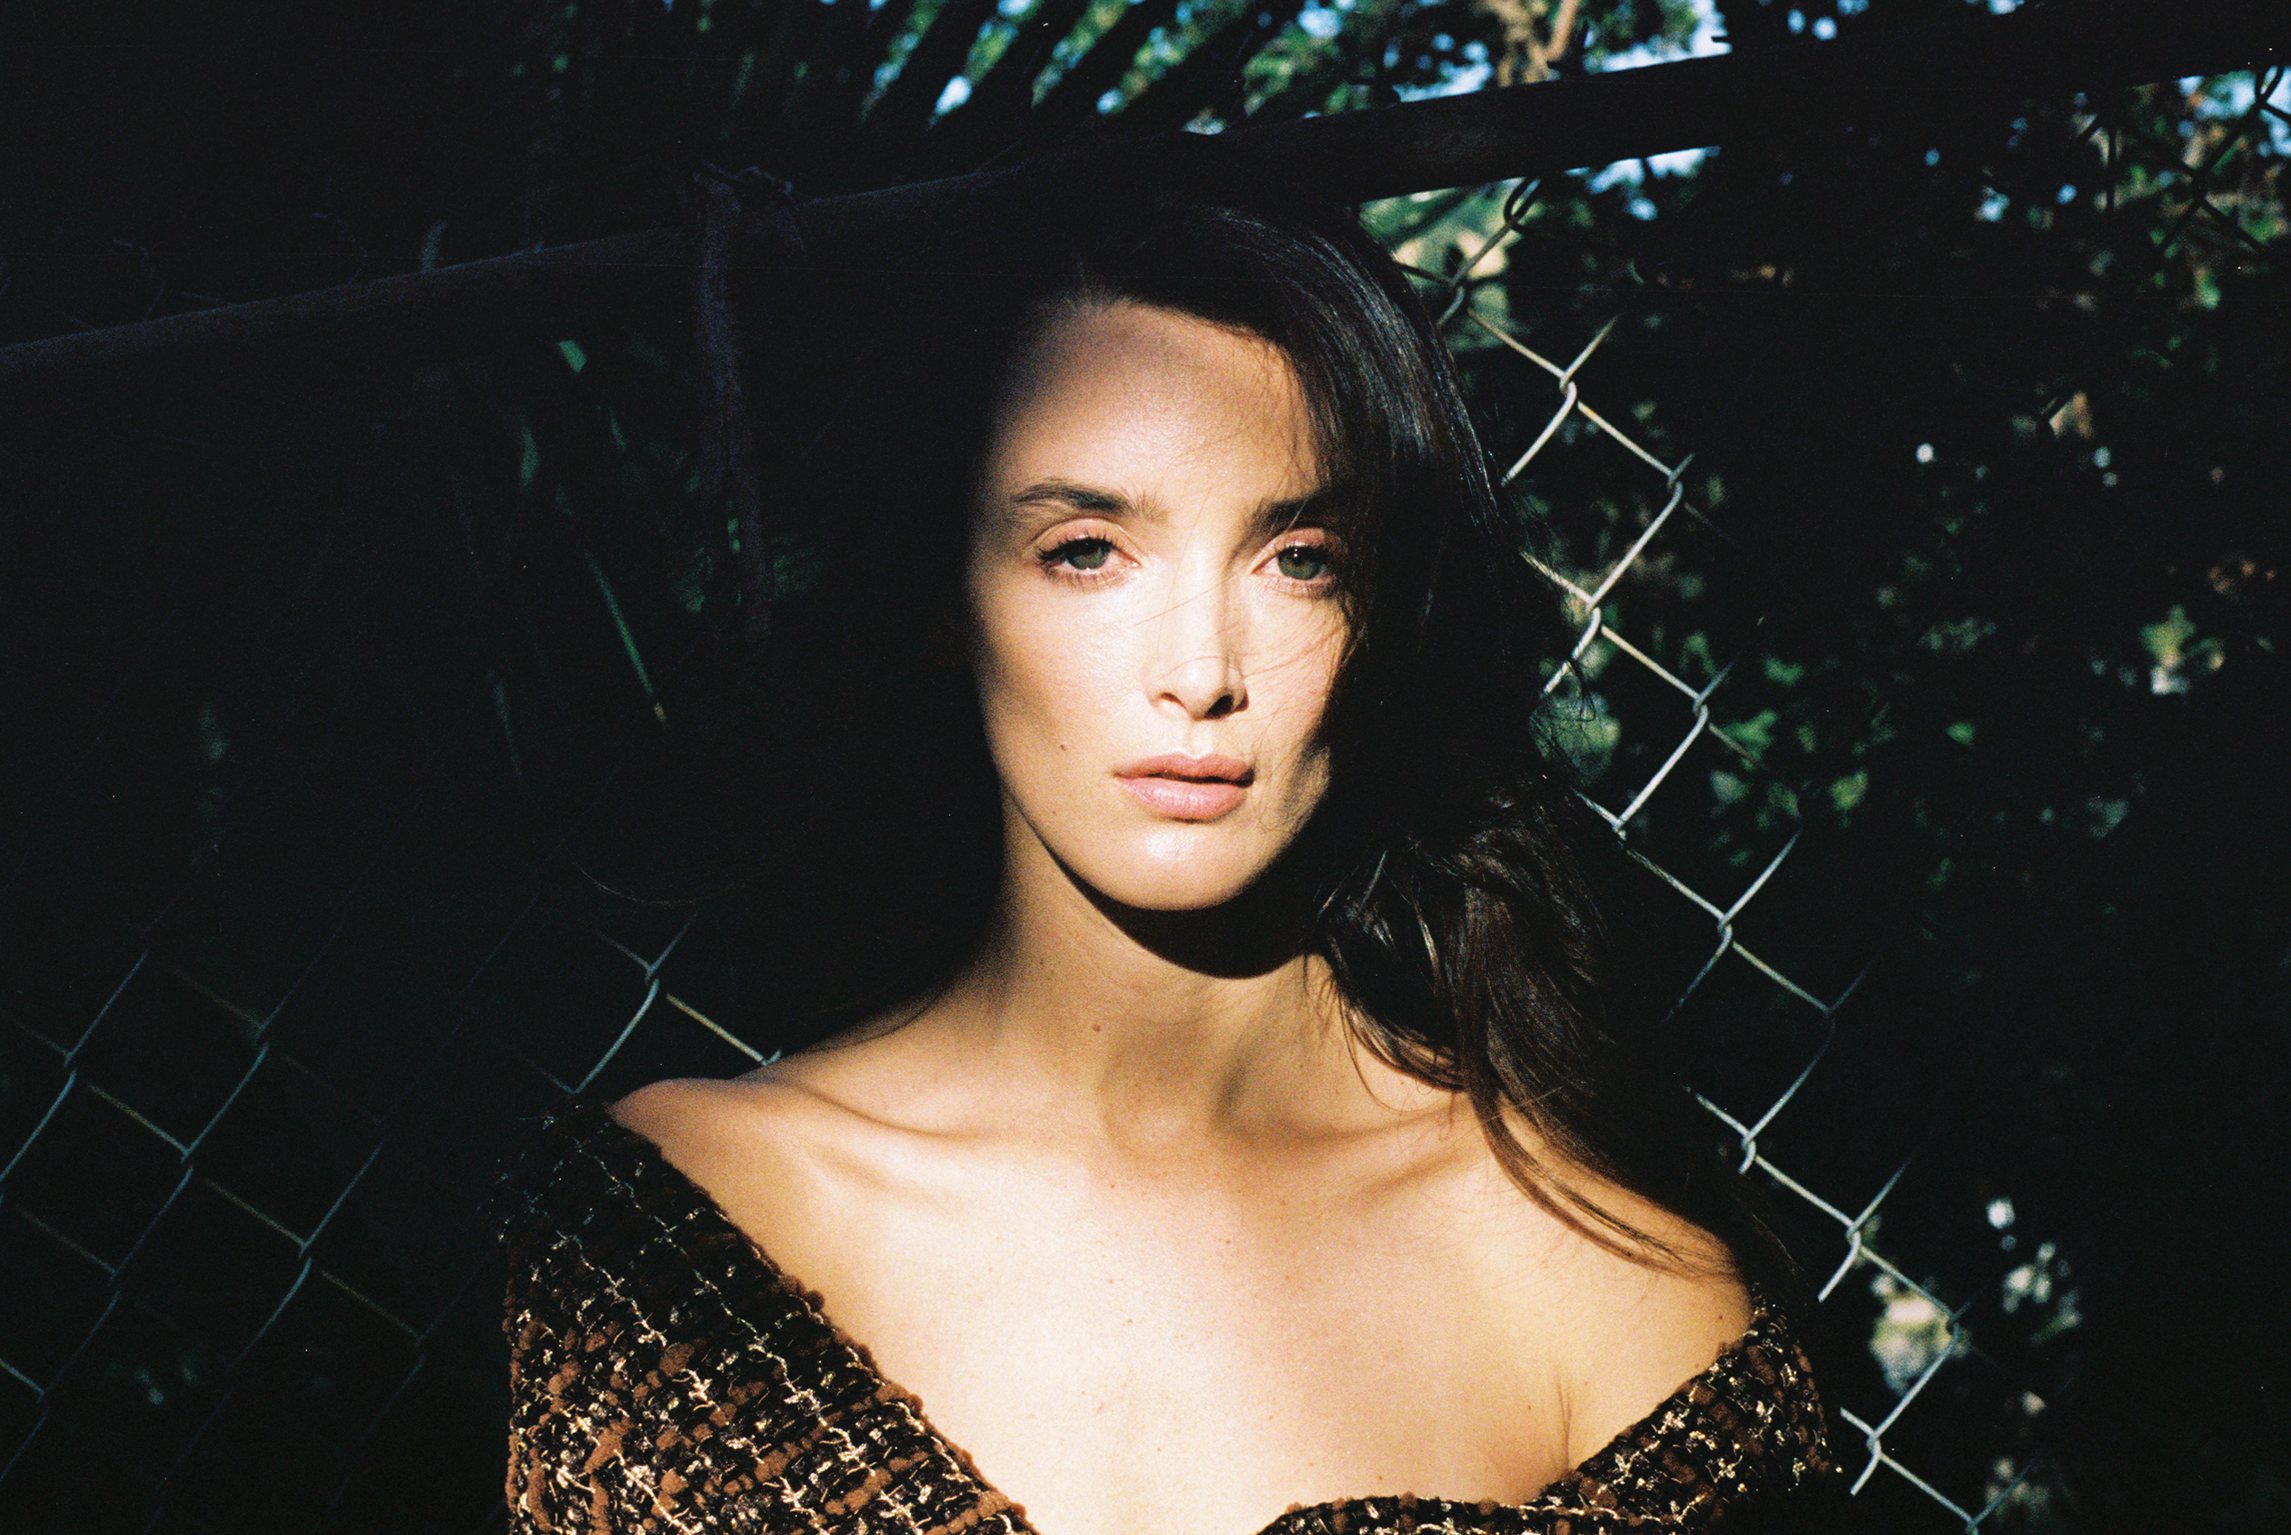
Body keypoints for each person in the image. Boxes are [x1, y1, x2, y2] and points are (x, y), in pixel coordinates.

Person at [494, 144, 1837, 1535]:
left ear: (1392, 616)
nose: (1200, 673)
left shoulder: (1608, 1289)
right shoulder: (680, 1235)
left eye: (1299, 560)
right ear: (942, 593)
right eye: (1087, 550)